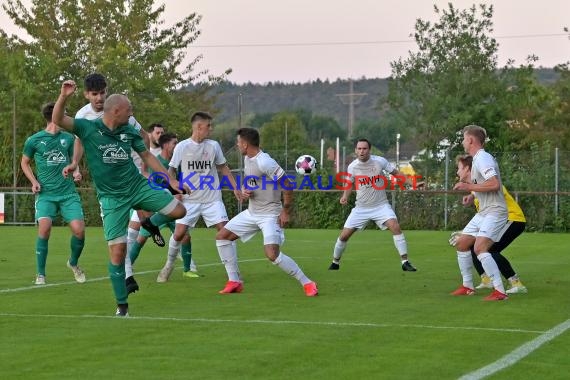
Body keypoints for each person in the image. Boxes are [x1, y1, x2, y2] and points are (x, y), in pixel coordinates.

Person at [53, 79, 187, 316]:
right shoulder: (88, 127)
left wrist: (169, 180)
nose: (132, 113)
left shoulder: (129, 131)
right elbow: (58, 120)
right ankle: (122, 306)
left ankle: (147, 224)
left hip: (137, 187)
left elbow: (147, 155)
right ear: (116, 111)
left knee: (179, 211)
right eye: (129, 109)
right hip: (112, 198)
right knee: (118, 252)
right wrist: (64, 96)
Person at [214, 127, 318, 297]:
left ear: (245, 144)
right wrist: (245, 191)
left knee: (272, 255)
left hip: (270, 215)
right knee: (222, 237)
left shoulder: (265, 162)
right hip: (252, 213)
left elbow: (287, 185)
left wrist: (285, 211)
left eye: (238, 142)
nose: (237, 145)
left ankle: (307, 283)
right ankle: (234, 281)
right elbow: (252, 182)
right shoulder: (248, 159)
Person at [74, 73, 152, 294]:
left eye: (103, 93)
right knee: (121, 233)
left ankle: (146, 226)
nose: (99, 98)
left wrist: (144, 169)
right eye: (95, 94)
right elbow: (78, 142)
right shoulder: (83, 115)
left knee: (131, 227)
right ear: (86, 94)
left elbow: (144, 136)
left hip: (131, 172)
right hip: (109, 180)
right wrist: (75, 165)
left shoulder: (119, 111)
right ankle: (128, 274)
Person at [157, 112, 241, 282]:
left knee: (226, 231)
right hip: (190, 200)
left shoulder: (214, 146)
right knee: (179, 234)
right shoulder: (182, 147)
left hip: (212, 199)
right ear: (199, 127)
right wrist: (175, 189)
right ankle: (168, 265)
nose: (211, 129)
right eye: (208, 126)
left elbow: (223, 167)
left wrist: (235, 187)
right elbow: (171, 171)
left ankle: (234, 274)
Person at [327, 138, 417, 272]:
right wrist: (345, 196)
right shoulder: (353, 166)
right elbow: (349, 183)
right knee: (344, 236)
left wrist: (413, 183)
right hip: (361, 208)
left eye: (364, 148)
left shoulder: (380, 161)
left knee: (395, 226)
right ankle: (335, 262)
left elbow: (397, 174)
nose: (361, 151)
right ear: (355, 150)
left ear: (369, 150)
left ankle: (405, 262)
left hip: (381, 206)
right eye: (359, 149)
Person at [21, 102, 86, 285]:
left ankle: (73, 263)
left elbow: (74, 160)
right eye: (65, 114)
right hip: (46, 195)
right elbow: (24, 162)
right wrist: (34, 182)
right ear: (57, 115)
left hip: (68, 194)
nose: (67, 118)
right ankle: (41, 274)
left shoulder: (69, 138)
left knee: (79, 231)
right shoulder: (34, 140)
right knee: (44, 229)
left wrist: (76, 171)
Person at [452, 155, 527, 294]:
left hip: (512, 219)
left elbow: (495, 189)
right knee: (472, 246)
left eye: (459, 168)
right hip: (501, 220)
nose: (457, 172)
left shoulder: (487, 181)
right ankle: (486, 280)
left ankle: (516, 283)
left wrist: (473, 193)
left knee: (489, 250)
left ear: (468, 169)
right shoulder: (476, 187)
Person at [451, 125, 509, 301]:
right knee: (462, 243)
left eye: (463, 138)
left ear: (470, 140)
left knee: (479, 248)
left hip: (495, 211)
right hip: (484, 212)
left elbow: (494, 184)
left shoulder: (483, 158)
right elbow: (484, 184)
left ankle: (500, 292)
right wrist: (472, 194)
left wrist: (468, 186)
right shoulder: (477, 159)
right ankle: (468, 287)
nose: (462, 141)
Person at [128, 132, 193, 280]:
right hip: (159, 206)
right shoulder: (156, 163)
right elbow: (147, 181)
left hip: (172, 207)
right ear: (165, 145)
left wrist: (180, 191)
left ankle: (188, 269)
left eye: (177, 143)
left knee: (185, 236)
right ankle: (128, 267)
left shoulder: (177, 164)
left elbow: (178, 183)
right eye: (174, 143)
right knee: (141, 238)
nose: (176, 146)